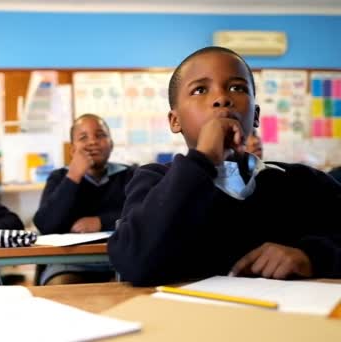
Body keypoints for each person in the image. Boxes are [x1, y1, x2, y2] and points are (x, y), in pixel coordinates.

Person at [109, 46, 341, 286]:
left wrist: (312, 256)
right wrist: (203, 158)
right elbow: (132, 261)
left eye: (237, 88)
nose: (222, 99)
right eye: (200, 90)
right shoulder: (154, 180)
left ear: (256, 115)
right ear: (175, 120)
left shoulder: (301, 181)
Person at [33, 113, 135, 285]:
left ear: (111, 144)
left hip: (119, 259)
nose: (93, 142)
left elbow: (143, 213)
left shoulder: (129, 174)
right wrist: (74, 175)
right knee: (60, 287)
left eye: (100, 135)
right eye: (83, 137)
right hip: (69, 262)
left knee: (130, 291)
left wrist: (101, 221)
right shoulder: (59, 177)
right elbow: (45, 223)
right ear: (73, 149)